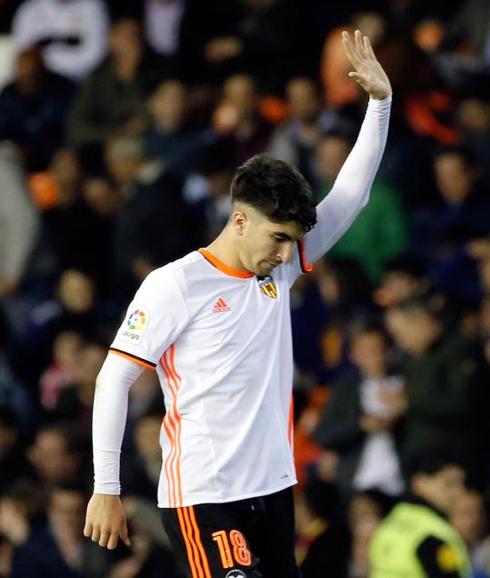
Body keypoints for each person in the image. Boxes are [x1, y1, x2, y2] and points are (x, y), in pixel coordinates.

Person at [84, 30, 392, 578]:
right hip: (205, 496)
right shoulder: (175, 284)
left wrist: (380, 105)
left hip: (273, 490)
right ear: (240, 219)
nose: (285, 252)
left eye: (291, 240)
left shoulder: (282, 265)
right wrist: (105, 489)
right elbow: (113, 380)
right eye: (277, 237)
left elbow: (351, 196)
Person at [369, 455, 471, 578]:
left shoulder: (389, 522)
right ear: (420, 483)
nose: (459, 492)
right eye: (449, 484)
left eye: (461, 484)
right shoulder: (434, 534)